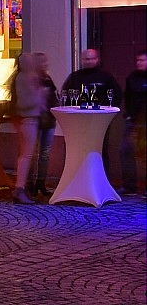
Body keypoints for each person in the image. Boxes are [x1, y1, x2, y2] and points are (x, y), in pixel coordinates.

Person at [63, 47, 126, 187]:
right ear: (82, 60)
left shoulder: (106, 77)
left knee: (100, 149)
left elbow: (116, 94)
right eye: (86, 59)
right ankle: (81, 181)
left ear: (97, 59)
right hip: (79, 120)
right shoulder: (75, 77)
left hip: (100, 121)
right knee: (80, 150)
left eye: (92, 58)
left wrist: (110, 111)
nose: (89, 61)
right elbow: (66, 94)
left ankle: (102, 181)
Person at [8, 52, 57, 203]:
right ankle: (20, 189)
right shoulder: (24, 78)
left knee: (28, 154)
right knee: (27, 155)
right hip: (29, 119)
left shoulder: (28, 77)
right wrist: (39, 95)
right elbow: (24, 103)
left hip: (30, 119)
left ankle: (22, 188)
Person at [123, 50, 146, 196]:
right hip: (133, 120)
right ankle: (130, 186)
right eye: (138, 60)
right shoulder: (132, 78)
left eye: (142, 60)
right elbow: (127, 97)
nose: (139, 63)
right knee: (125, 150)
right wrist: (128, 115)